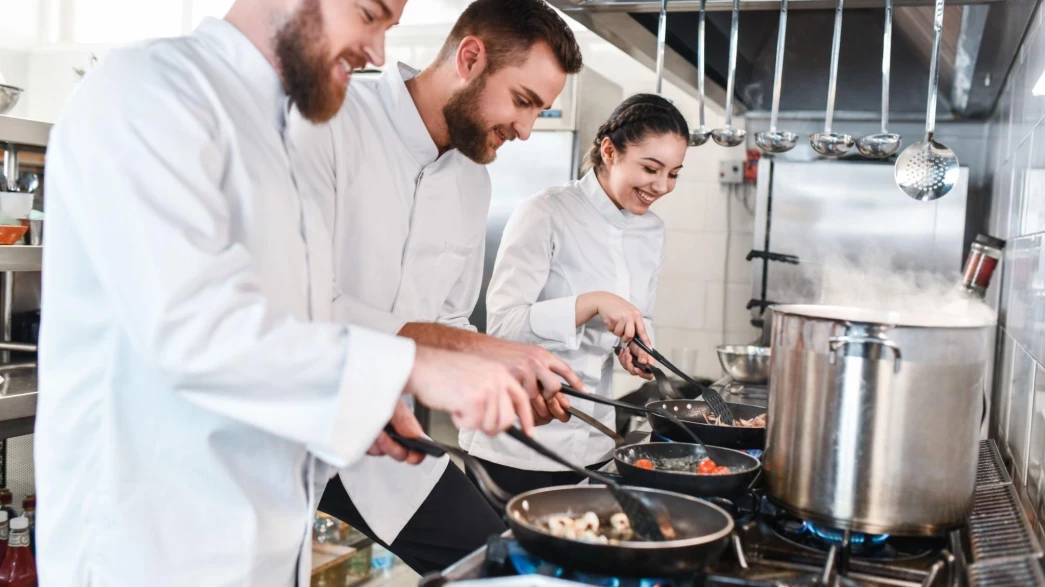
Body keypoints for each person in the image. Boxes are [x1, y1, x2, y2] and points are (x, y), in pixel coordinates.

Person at [34, 0, 538, 584]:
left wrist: (357, 403)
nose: (377, 52)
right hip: (150, 549)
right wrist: (407, 365)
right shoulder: (151, 88)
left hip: (262, 546)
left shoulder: (285, 138)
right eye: (369, 15)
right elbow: (191, 328)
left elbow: (289, 326)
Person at [286, 0, 585, 573]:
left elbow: (448, 319)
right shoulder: (330, 121)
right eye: (522, 101)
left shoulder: (474, 181)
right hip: (289, 421)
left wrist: (505, 374)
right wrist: (484, 349)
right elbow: (306, 302)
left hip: (384, 439)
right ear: (470, 57)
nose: (526, 130)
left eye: (539, 111)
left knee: (504, 566)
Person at [464, 94, 690, 494]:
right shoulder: (546, 212)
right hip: (519, 442)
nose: (662, 186)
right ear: (610, 151)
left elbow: (640, 314)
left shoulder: (652, 231)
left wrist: (634, 344)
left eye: (673, 173)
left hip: (595, 440)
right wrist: (591, 304)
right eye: (650, 168)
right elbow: (502, 326)